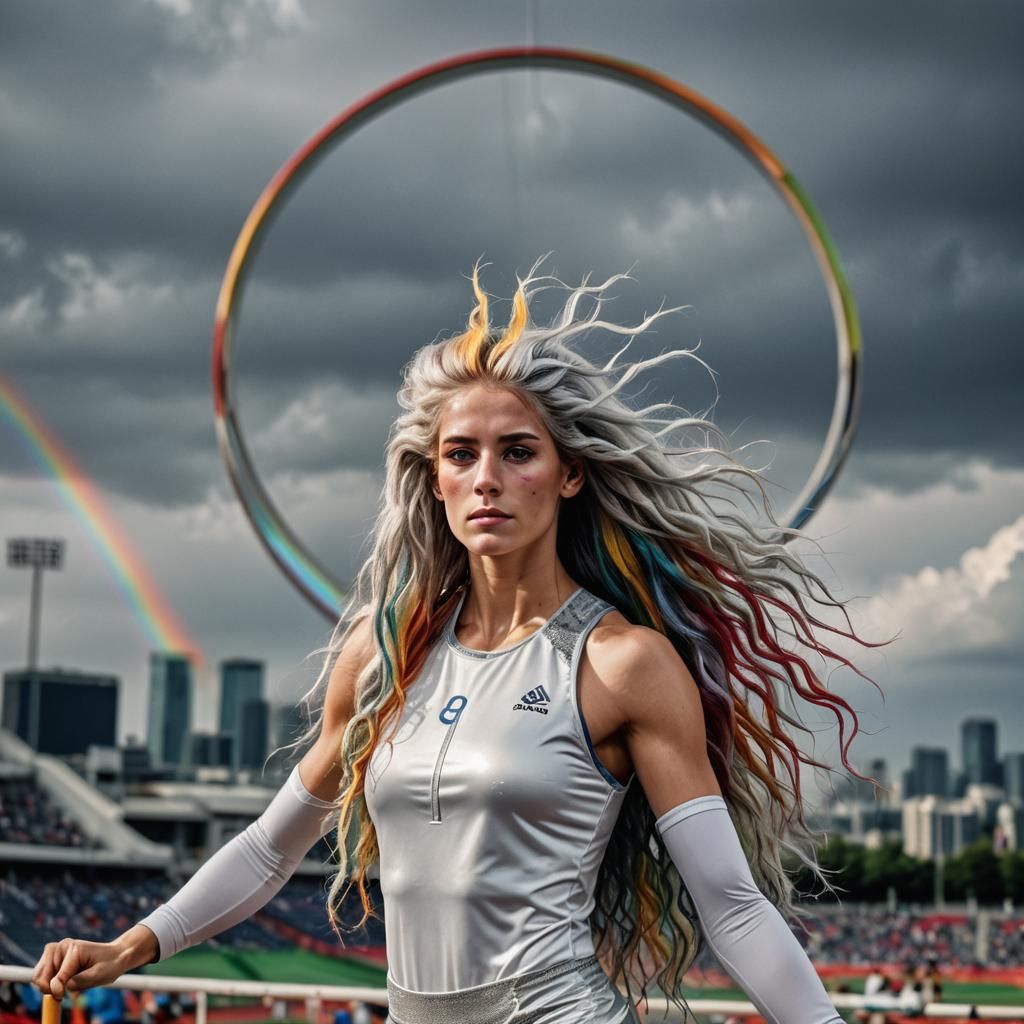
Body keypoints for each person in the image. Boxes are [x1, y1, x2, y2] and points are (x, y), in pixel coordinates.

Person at [32, 258, 888, 1023]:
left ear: (570, 472)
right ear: (432, 477)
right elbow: (270, 849)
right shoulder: (379, 657)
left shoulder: (623, 664)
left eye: (519, 452)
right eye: (461, 454)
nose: (488, 480)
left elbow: (732, 907)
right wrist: (132, 945)